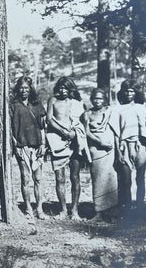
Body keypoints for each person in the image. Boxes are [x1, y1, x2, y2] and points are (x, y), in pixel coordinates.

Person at [46, 76, 90, 220]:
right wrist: (64, 132)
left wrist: (74, 133)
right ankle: (63, 210)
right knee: (59, 178)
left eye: (66, 88)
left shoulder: (77, 103)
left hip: (74, 142)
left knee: (75, 177)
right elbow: (49, 119)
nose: (63, 90)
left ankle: (75, 211)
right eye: (60, 88)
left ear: (71, 88)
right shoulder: (53, 101)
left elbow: (82, 121)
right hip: (57, 141)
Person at [111, 79, 146, 216]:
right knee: (126, 179)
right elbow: (116, 133)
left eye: (132, 91)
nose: (129, 93)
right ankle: (125, 209)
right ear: (122, 92)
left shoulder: (143, 107)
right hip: (124, 146)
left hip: (140, 145)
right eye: (126, 90)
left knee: (141, 178)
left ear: (136, 93)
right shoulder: (117, 109)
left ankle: (140, 208)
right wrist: (118, 153)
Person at [10, 76, 47, 220]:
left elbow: (43, 127)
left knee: (38, 178)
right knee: (25, 178)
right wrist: (15, 145)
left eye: (26, 88)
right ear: (18, 89)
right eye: (21, 87)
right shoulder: (13, 105)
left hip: (37, 146)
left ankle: (40, 208)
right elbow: (11, 128)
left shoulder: (37, 105)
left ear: (30, 89)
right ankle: (28, 208)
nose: (24, 90)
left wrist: (43, 144)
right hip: (22, 145)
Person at [83, 88, 117, 222]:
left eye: (100, 98)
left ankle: (112, 212)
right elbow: (86, 132)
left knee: (111, 179)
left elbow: (115, 129)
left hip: (109, 150)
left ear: (105, 99)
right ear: (92, 99)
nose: (98, 101)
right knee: (97, 179)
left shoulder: (110, 112)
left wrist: (108, 144)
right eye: (95, 98)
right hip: (96, 149)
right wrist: (100, 142)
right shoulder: (87, 114)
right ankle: (98, 212)